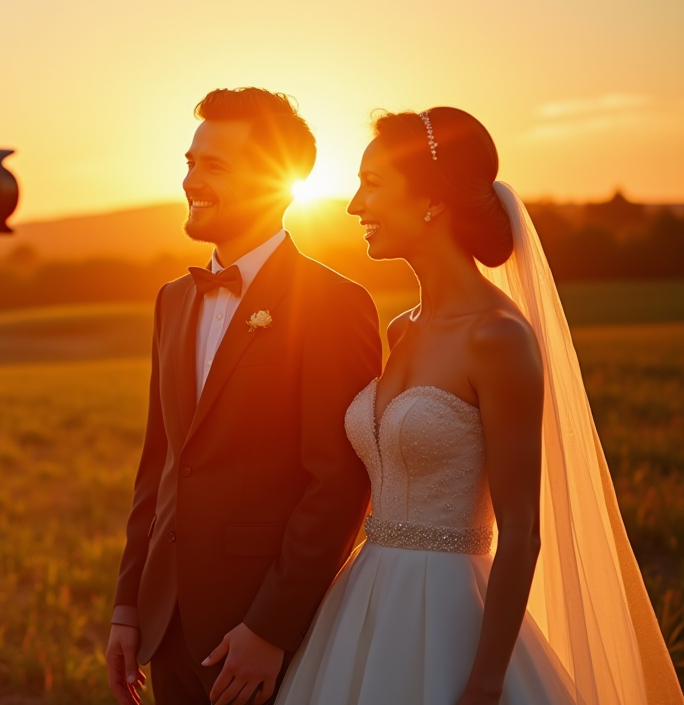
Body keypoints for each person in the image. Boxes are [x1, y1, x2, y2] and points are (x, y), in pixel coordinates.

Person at [274, 107, 683, 704]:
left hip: (451, 616)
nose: (355, 205)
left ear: (432, 201)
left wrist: (486, 681)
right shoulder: (401, 330)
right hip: (364, 600)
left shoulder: (498, 337)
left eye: (373, 184)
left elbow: (522, 530)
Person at [106, 88, 383, 705]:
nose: (191, 181)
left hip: (261, 634)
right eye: (190, 162)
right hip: (164, 626)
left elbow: (338, 483)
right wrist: (128, 605)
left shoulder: (334, 304)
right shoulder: (172, 300)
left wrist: (271, 628)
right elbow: (158, 465)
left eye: (215, 166)